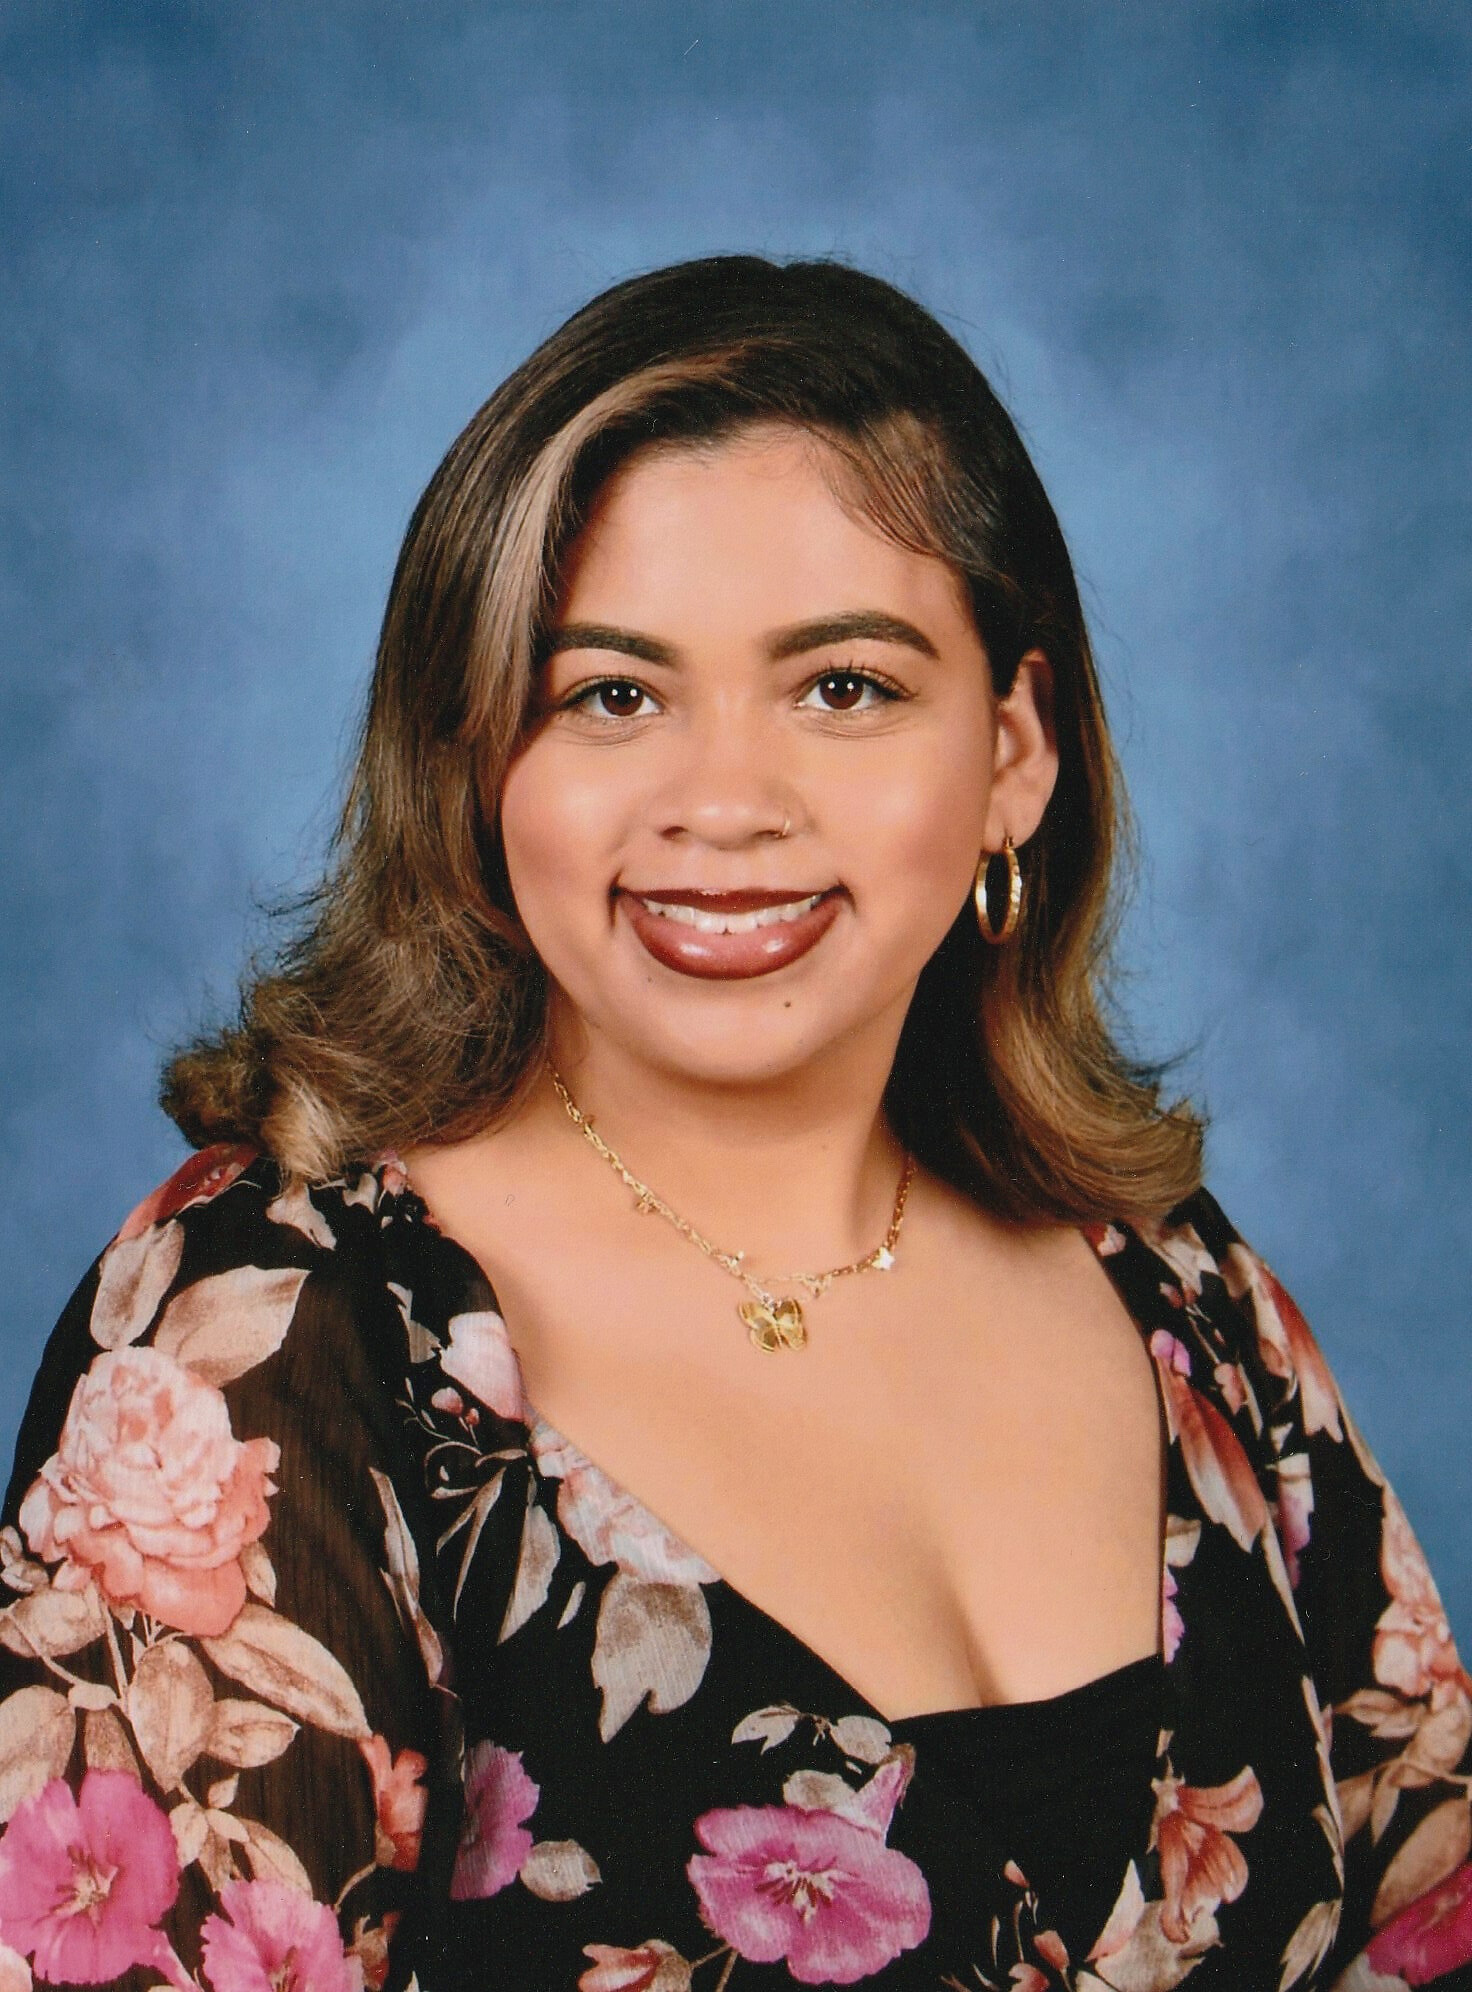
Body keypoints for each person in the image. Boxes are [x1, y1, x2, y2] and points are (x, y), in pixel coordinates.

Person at [0, 256, 1464, 1992]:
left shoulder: (1181, 1294)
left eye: (843, 686)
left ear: (1015, 753)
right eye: (612, 693)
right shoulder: (274, 1328)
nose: (726, 804)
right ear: (480, 763)